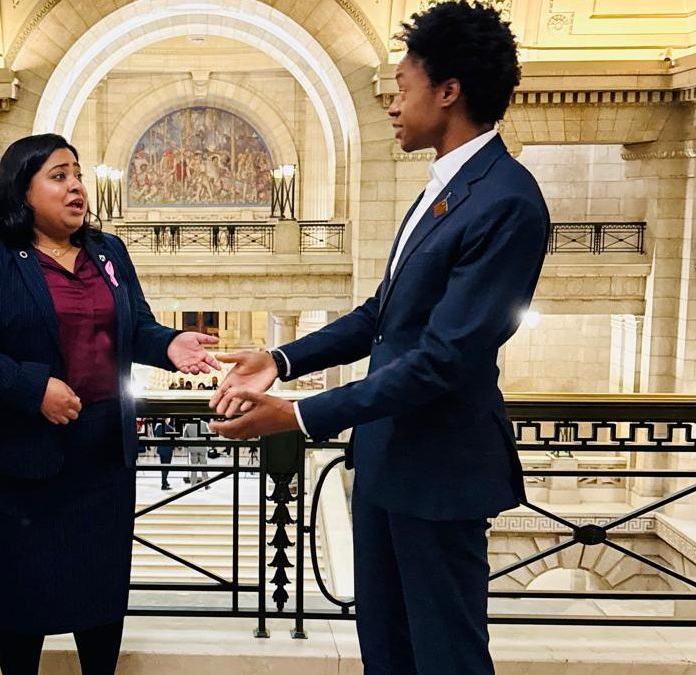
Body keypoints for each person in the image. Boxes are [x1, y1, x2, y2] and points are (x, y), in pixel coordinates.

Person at [209, 3, 547, 674]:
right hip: (388, 465)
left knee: (445, 656)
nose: (393, 106)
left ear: (448, 91)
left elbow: (444, 359)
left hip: (441, 473)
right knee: (386, 654)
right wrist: (279, 358)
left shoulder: (507, 199)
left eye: (402, 86)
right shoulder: (444, 189)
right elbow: (380, 316)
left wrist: (301, 414)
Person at [0, 133, 220, 675]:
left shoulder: (107, 251)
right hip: (25, 458)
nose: (76, 188)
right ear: (24, 190)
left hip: (102, 455)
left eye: (78, 174)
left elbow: (135, 327)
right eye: (59, 176)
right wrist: (31, 388)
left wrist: (170, 345)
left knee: (101, 593)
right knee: (24, 597)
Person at [152, 417, 177, 490]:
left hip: (161, 449)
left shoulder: (157, 427)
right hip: (167, 450)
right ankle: (163, 484)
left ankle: (165, 481)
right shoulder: (169, 428)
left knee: (163, 466)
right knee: (166, 467)